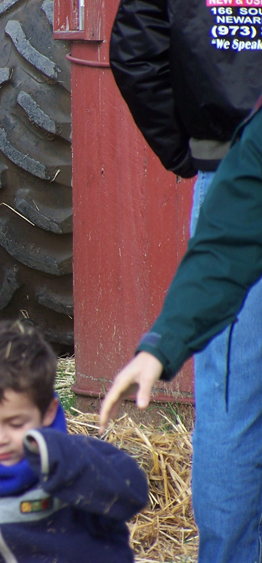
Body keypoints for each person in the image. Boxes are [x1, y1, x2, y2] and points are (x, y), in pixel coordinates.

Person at [110, 4, 262, 561]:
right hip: (235, 173)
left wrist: (192, 151)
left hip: (226, 163)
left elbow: (134, 49)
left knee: (231, 402)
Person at [0, 321, 148, 563]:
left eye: (15, 424)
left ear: (48, 411)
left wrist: (62, 461)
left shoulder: (75, 462)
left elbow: (133, 494)